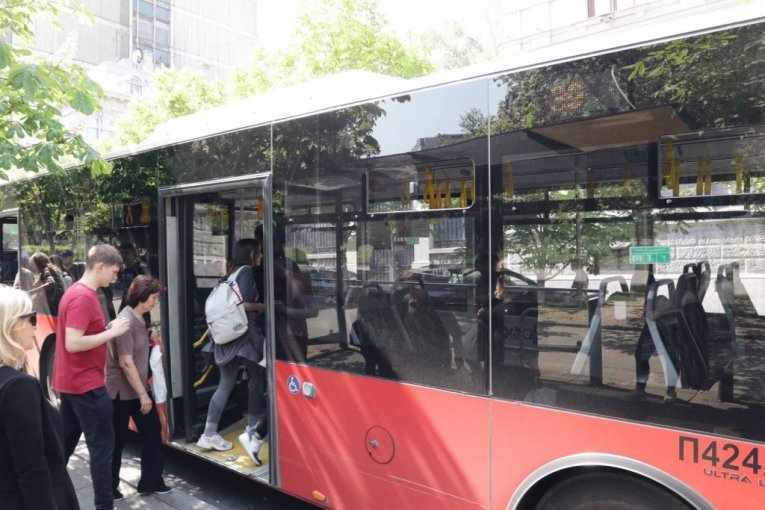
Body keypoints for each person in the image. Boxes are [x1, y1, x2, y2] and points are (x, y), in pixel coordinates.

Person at [52, 244, 131, 510]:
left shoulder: (74, 292)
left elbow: (79, 336)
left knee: (62, 446)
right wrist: (112, 332)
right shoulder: (84, 297)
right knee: (102, 452)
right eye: (114, 272)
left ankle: (45, 495)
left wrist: (107, 328)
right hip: (86, 385)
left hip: (72, 384)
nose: (115, 278)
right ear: (100, 266)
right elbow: (74, 343)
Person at [0, 285, 79, 510]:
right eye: (30, 318)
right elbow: (32, 472)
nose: (35, 326)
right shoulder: (18, 387)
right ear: (10, 325)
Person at [197, 239, 268, 467]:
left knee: (225, 384)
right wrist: (263, 307)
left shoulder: (231, 272)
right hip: (244, 337)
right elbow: (246, 304)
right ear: (252, 253)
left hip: (226, 338)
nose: (261, 255)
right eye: (259, 251)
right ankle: (253, 430)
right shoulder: (246, 272)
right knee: (256, 380)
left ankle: (209, 432)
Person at [105, 275, 171, 498]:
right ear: (142, 296)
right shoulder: (125, 322)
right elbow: (125, 361)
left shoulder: (140, 318)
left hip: (138, 388)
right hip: (121, 393)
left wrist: (148, 335)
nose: (156, 302)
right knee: (116, 441)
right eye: (154, 297)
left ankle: (151, 481)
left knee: (153, 433)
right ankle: (109, 487)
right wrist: (144, 394)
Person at [29, 251, 67, 316]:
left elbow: (51, 283)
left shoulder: (46, 271)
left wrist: (31, 292)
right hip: (57, 304)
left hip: (52, 306)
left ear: (37, 263)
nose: (31, 266)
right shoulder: (50, 270)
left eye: (32, 264)